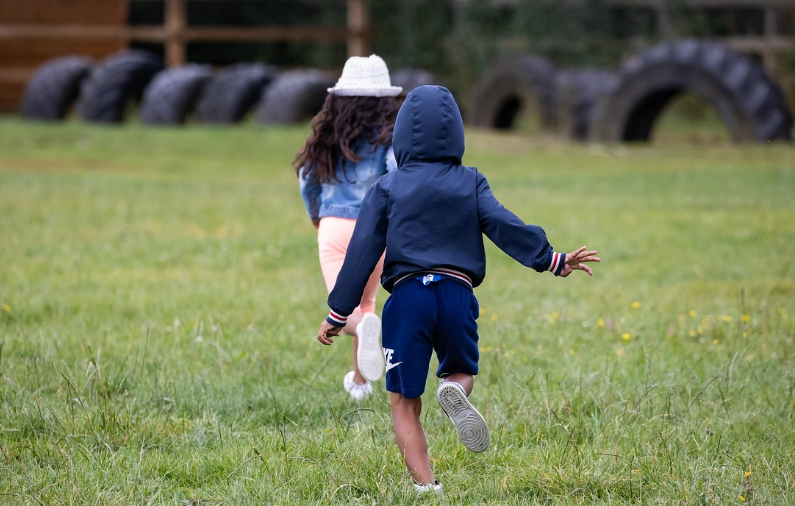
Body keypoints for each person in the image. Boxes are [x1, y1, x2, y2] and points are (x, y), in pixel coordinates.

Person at [315, 85, 600, 493]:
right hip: (456, 294)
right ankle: (453, 389)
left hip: (408, 300)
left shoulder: (387, 187)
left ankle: (426, 487)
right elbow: (504, 224)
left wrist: (338, 312)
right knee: (461, 370)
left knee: (404, 402)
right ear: (456, 133)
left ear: (401, 135)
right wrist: (551, 259)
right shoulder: (471, 181)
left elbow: (361, 253)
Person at [295, 55, 403, 401]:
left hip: (334, 227)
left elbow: (307, 179)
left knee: (345, 311)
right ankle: (359, 383)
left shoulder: (328, 133)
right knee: (366, 303)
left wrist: (317, 215)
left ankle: (362, 365)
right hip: (376, 232)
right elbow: (397, 173)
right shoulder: (389, 136)